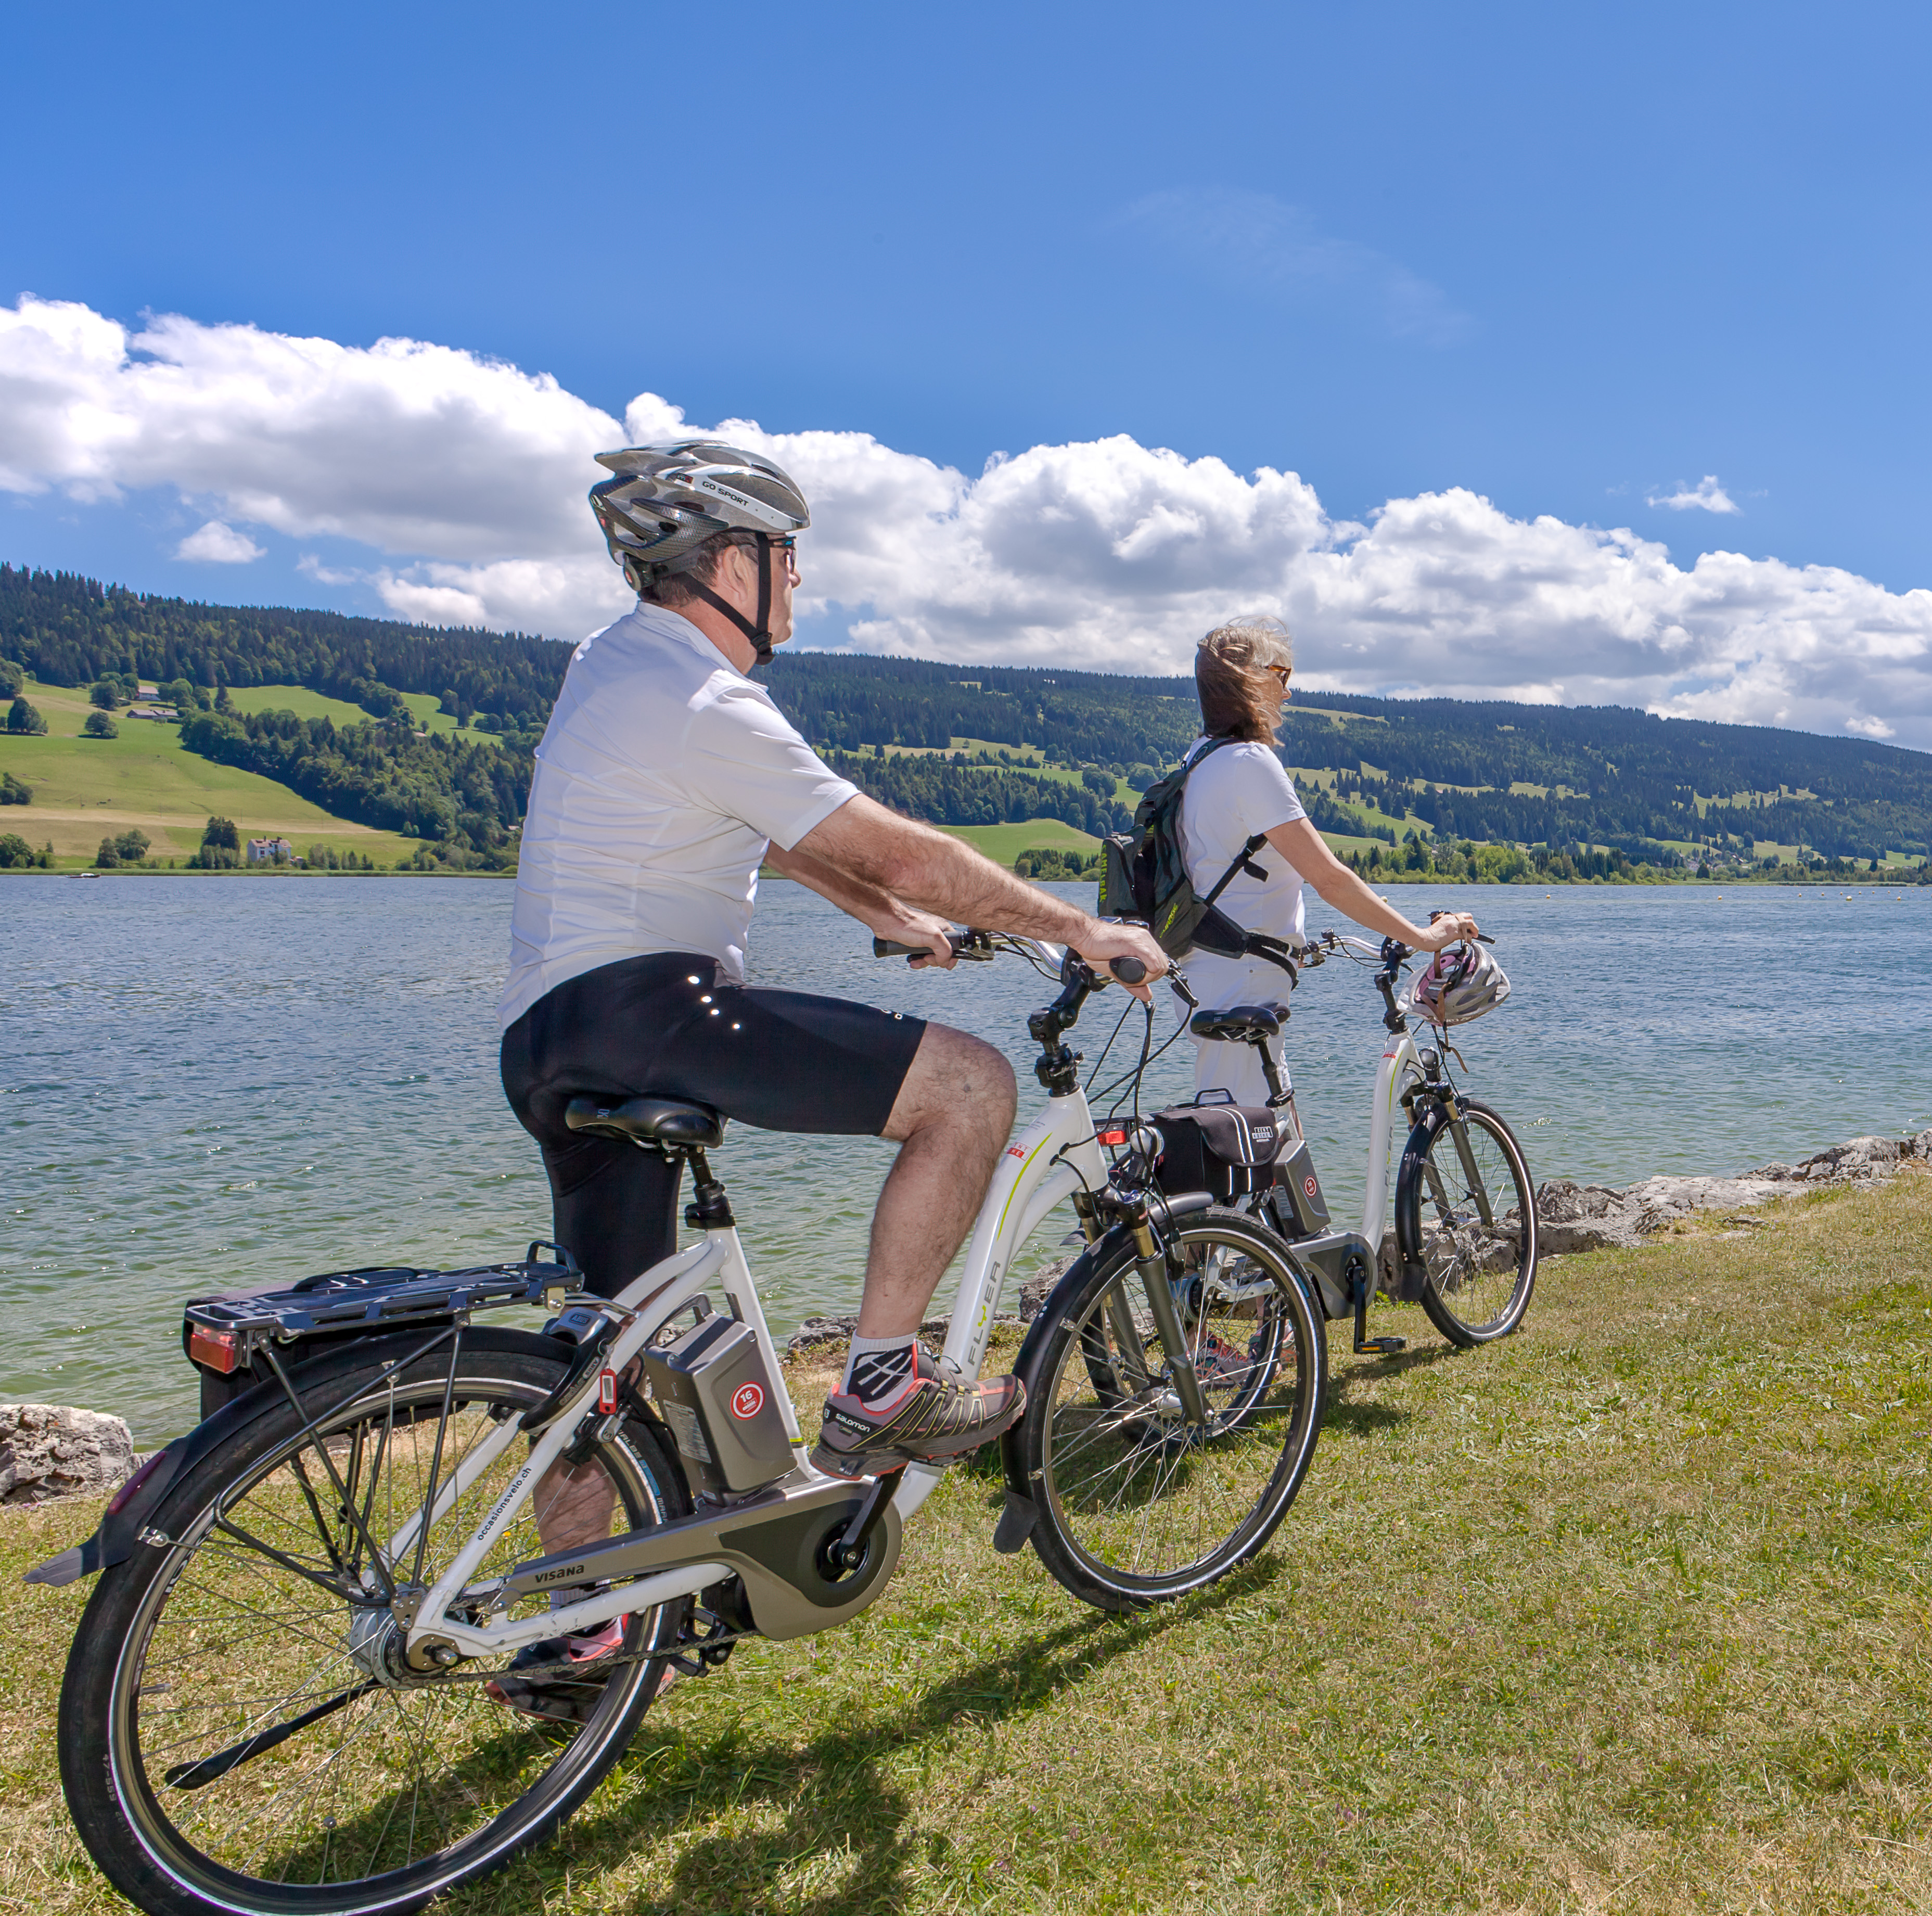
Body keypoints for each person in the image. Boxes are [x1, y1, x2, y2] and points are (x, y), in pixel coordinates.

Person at [494, 442, 1169, 1689]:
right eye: (787, 555)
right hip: (656, 1004)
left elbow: (780, 835)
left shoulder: (617, 667)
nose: (800, 581)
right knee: (970, 1088)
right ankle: (882, 1379)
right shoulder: (708, 697)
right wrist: (1077, 927)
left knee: (611, 1351)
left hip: (546, 1035)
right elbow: (887, 844)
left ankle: (569, 1633)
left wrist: (900, 925)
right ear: (735, 562)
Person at [1174, 615, 1478, 1105]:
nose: (1287, 693)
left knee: (1247, 1121)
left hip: (1215, 967)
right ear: (1250, 677)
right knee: (1245, 1133)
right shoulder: (1249, 762)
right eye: (1282, 675)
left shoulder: (1201, 757)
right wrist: (1423, 938)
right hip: (1242, 974)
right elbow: (1329, 879)